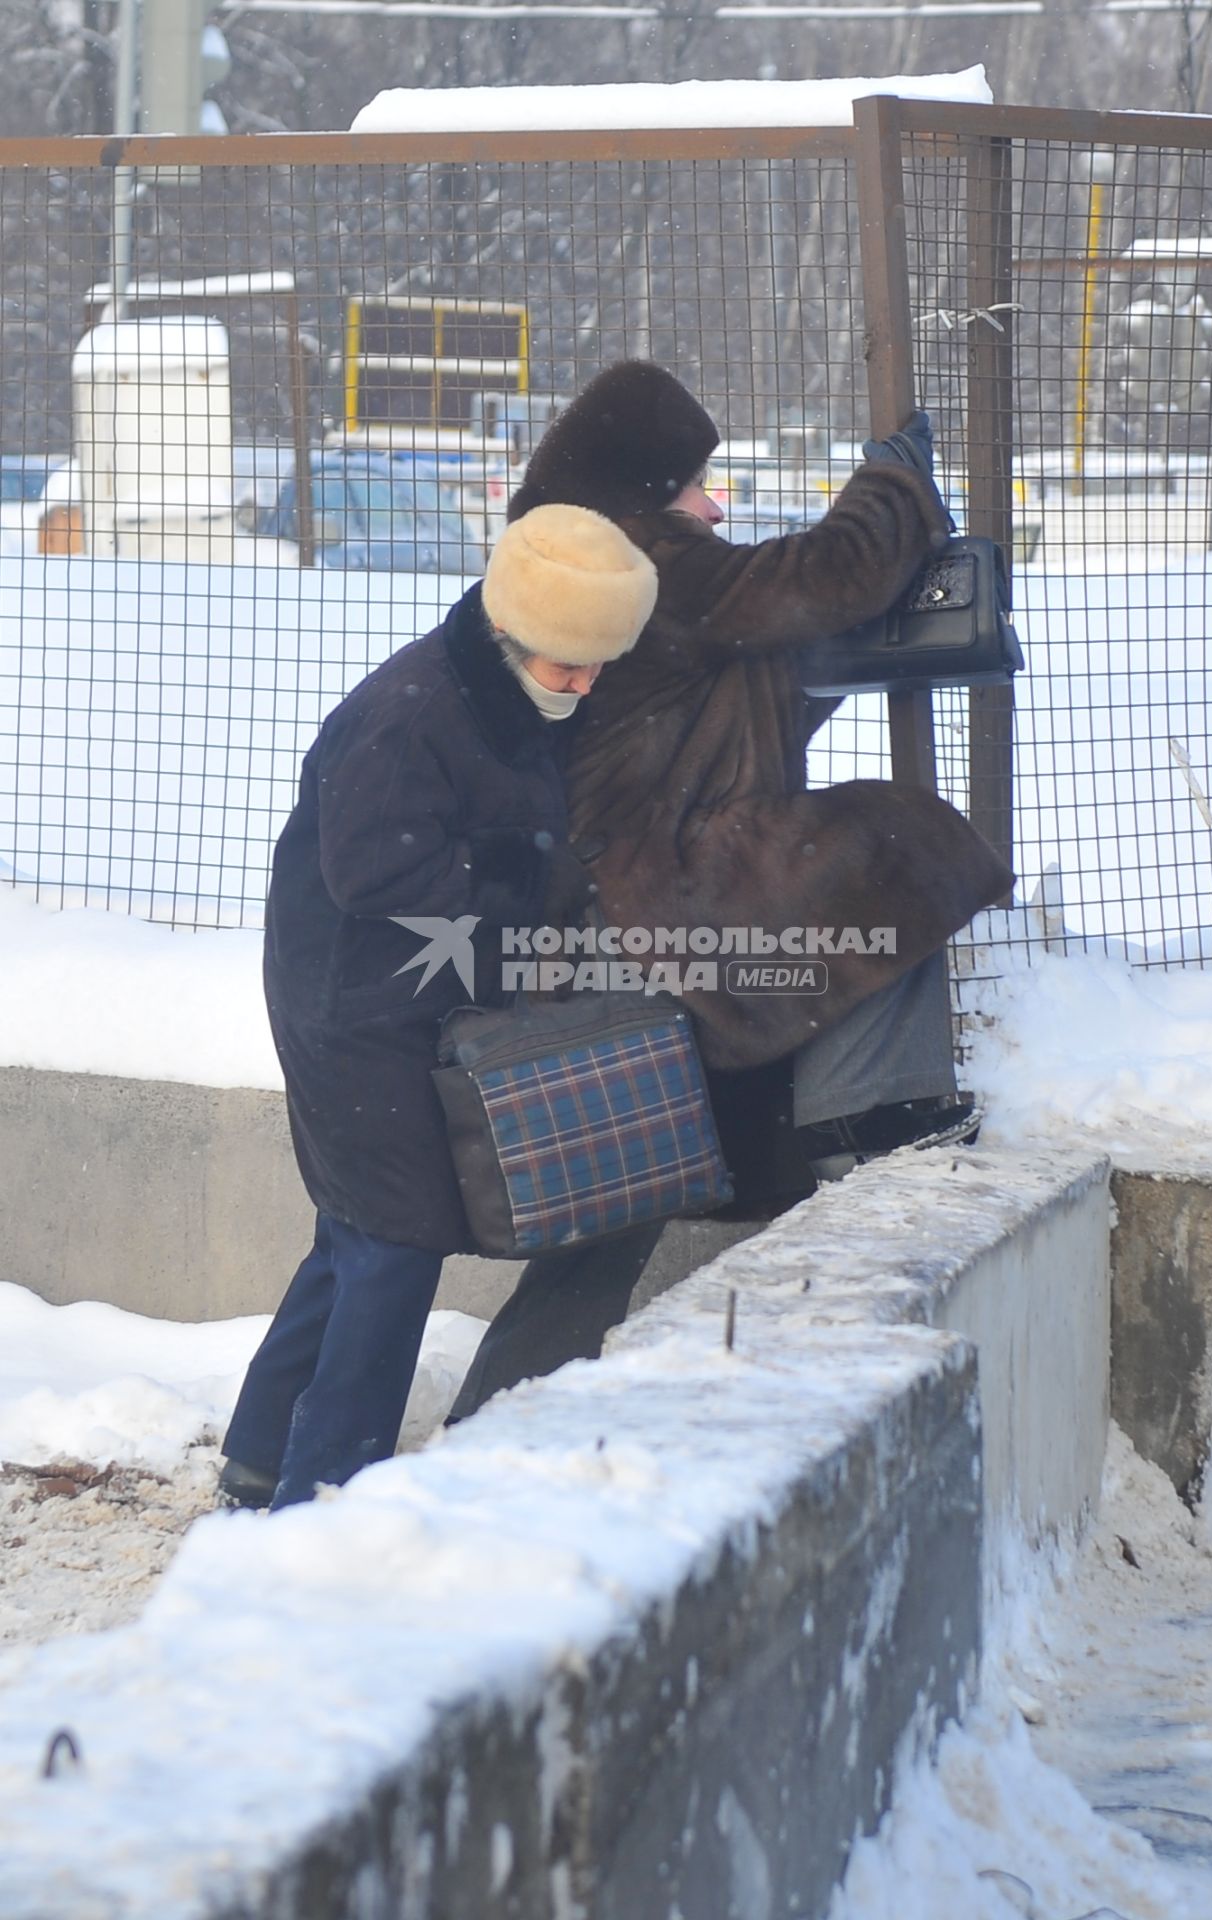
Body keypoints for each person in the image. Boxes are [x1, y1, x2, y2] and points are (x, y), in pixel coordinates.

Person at [219, 503, 664, 1510]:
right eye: (568, 666)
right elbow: (375, 867)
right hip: (352, 1008)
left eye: (600, 664)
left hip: (405, 998)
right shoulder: (410, 712)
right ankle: (325, 1495)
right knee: (397, 1240)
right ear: (513, 634)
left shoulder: (510, 693)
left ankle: (260, 1459)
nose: (585, 686)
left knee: (353, 1230)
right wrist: (530, 878)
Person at [501, 360, 1015, 1189]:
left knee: (860, 860)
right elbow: (824, 575)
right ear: (645, 491)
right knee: (891, 844)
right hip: (654, 886)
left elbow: (743, 670)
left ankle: (861, 1112)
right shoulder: (634, 559)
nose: (714, 506)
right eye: (696, 486)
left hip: (644, 875)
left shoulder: (599, 560)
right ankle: (868, 1117)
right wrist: (892, 482)